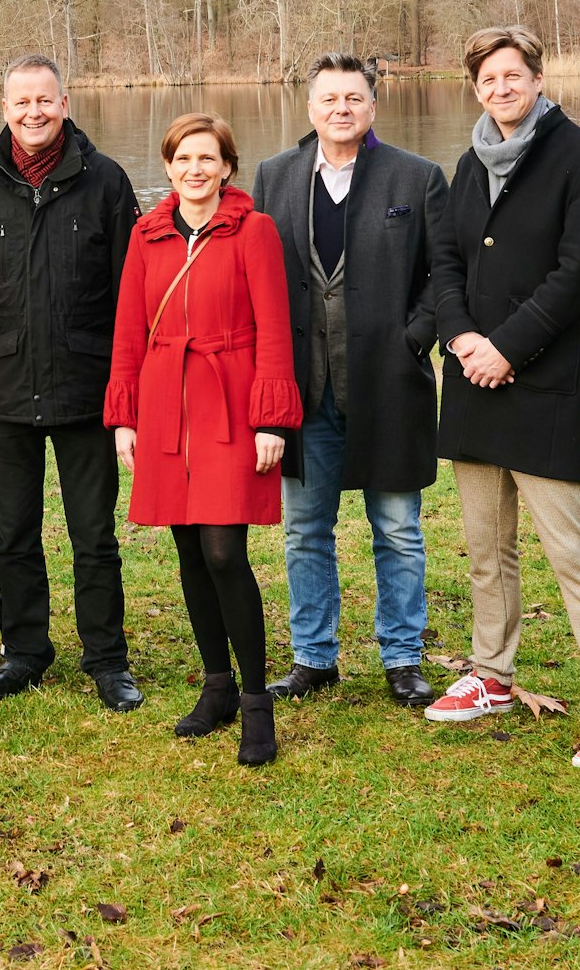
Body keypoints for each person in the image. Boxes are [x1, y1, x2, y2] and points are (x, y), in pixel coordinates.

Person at [428, 25, 580, 771]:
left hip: (542, 384)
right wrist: (460, 339)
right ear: (476, 88)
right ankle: (492, 673)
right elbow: (445, 260)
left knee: (572, 554)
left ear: (537, 78)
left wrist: (506, 347)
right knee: (487, 550)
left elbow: (579, 273)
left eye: (512, 75)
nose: (501, 88)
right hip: (471, 383)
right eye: (487, 79)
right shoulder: (468, 161)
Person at [0, 53, 144, 712]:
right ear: (3, 109)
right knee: (13, 532)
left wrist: (124, 390)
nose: (34, 112)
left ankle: (107, 658)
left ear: (65, 103)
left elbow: (130, 297)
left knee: (94, 533)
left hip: (85, 387)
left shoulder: (106, 182)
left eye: (45, 100)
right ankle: (25, 652)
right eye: (22, 101)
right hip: (2, 389)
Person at [251, 56, 450, 708]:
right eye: (329, 97)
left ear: (373, 107)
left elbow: (442, 276)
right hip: (303, 393)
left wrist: (412, 340)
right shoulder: (274, 176)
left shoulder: (416, 178)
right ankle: (313, 657)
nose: (341, 107)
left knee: (396, 526)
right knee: (306, 528)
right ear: (310, 107)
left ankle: (402, 657)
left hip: (388, 388)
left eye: (354, 97)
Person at [106, 112, 302, 766]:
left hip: (230, 401)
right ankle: (214, 684)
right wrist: (125, 416)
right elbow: (130, 330)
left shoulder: (254, 230)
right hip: (165, 402)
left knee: (223, 551)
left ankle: (254, 702)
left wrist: (272, 418)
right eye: (183, 158)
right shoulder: (147, 234)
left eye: (207, 159)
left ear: (226, 167)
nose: (195, 169)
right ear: (167, 167)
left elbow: (276, 327)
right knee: (188, 548)